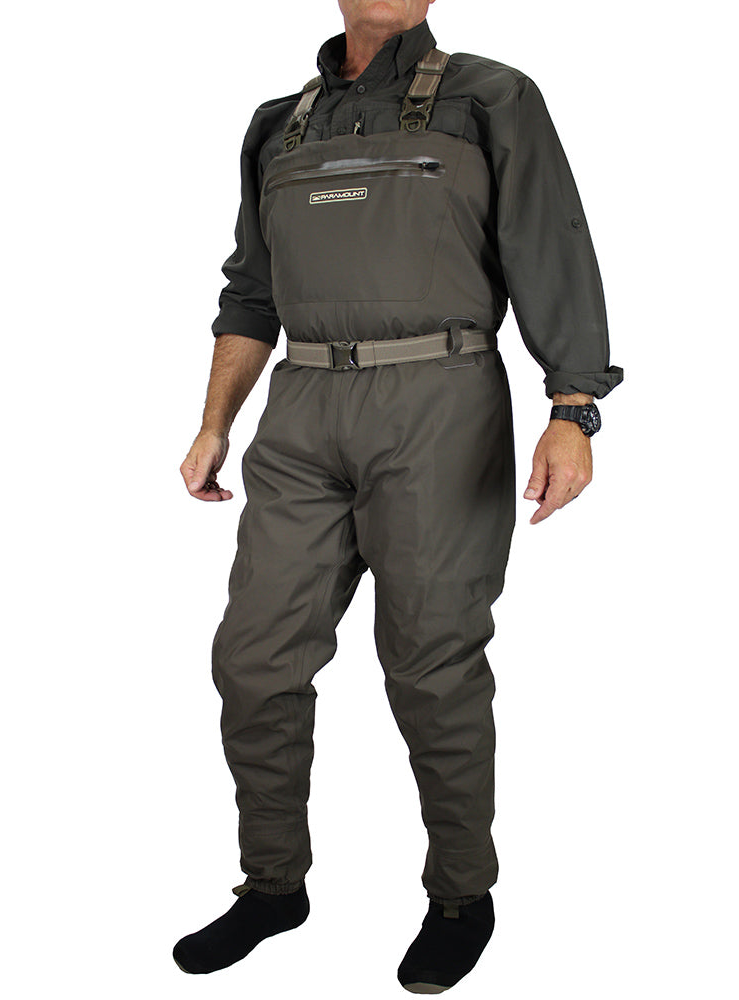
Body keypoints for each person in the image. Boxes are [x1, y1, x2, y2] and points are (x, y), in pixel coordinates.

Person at [174, 0, 623, 991]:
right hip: (300, 406)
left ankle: (461, 895)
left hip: (439, 399)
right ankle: (272, 885)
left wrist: (573, 405)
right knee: (253, 659)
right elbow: (251, 292)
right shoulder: (279, 125)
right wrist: (214, 423)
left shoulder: (490, 96)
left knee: (430, 662)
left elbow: (550, 246)